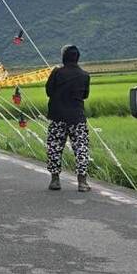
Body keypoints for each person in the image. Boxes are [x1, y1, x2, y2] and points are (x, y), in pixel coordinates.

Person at [44, 44, 91, 192]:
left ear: (64, 57)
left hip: (57, 116)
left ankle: (55, 180)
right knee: (81, 148)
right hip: (77, 117)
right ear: (77, 58)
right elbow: (85, 95)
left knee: (54, 148)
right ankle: (82, 182)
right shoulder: (85, 75)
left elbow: (48, 91)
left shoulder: (57, 73)